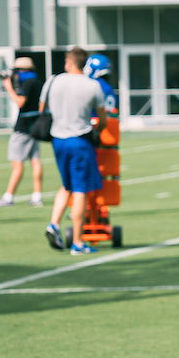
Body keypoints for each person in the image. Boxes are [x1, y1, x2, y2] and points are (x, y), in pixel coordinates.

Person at [42, 47, 107, 255]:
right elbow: (103, 118)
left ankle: (53, 223)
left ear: (69, 62)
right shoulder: (92, 85)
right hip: (79, 139)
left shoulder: (54, 80)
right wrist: (98, 130)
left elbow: (43, 107)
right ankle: (78, 243)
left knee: (66, 184)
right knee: (80, 190)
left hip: (57, 139)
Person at [0, 57, 45, 209]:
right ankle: (37, 196)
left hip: (24, 127)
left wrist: (9, 88)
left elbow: (20, 102)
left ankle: (8, 197)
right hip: (34, 125)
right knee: (35, 160)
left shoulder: (28, 83)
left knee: (17, 163)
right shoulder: (37, 82)